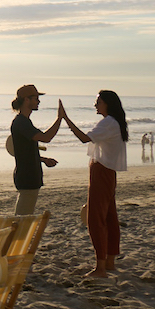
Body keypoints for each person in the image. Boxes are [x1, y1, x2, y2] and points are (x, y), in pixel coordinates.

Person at [61, 90, 129, 278]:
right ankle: (109, 262)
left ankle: (100, 268)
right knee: (109, 217)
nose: (95, 105)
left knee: (96, 219)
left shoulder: (108, 123)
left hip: (102, 172)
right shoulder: (114, 122)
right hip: (107, 172)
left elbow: (84, 138)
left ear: (107, 103)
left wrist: (66, 119)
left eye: (98, 101)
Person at [9, 84, 63, 215]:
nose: (38, 101)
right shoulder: (21, 122)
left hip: (29, 177)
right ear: (26, 99)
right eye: (36, 98)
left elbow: (25, 151)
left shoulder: (25, 121)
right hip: (27, 178)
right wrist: (60, 118)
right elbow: (46, 137)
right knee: (22, 219)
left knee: (24, 216)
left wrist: (43, 159)